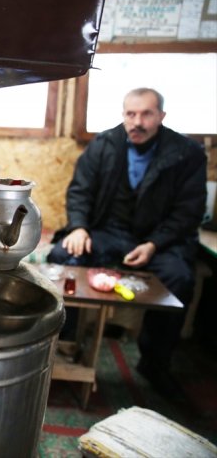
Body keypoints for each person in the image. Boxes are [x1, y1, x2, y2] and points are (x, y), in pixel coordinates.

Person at [47, 87, 207, 398]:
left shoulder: (185, 153)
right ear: (123, 115)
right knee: (63, 256)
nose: (137, 122)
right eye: (130, 114)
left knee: (180, 278)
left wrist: (155, 244)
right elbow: (80, 190)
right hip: (109, 231)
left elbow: (190, 210)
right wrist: (79, 228)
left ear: (161, 116)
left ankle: (155, 362)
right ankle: (65, 347)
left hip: (156, 240)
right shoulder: (104, 144)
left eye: (146, 114)